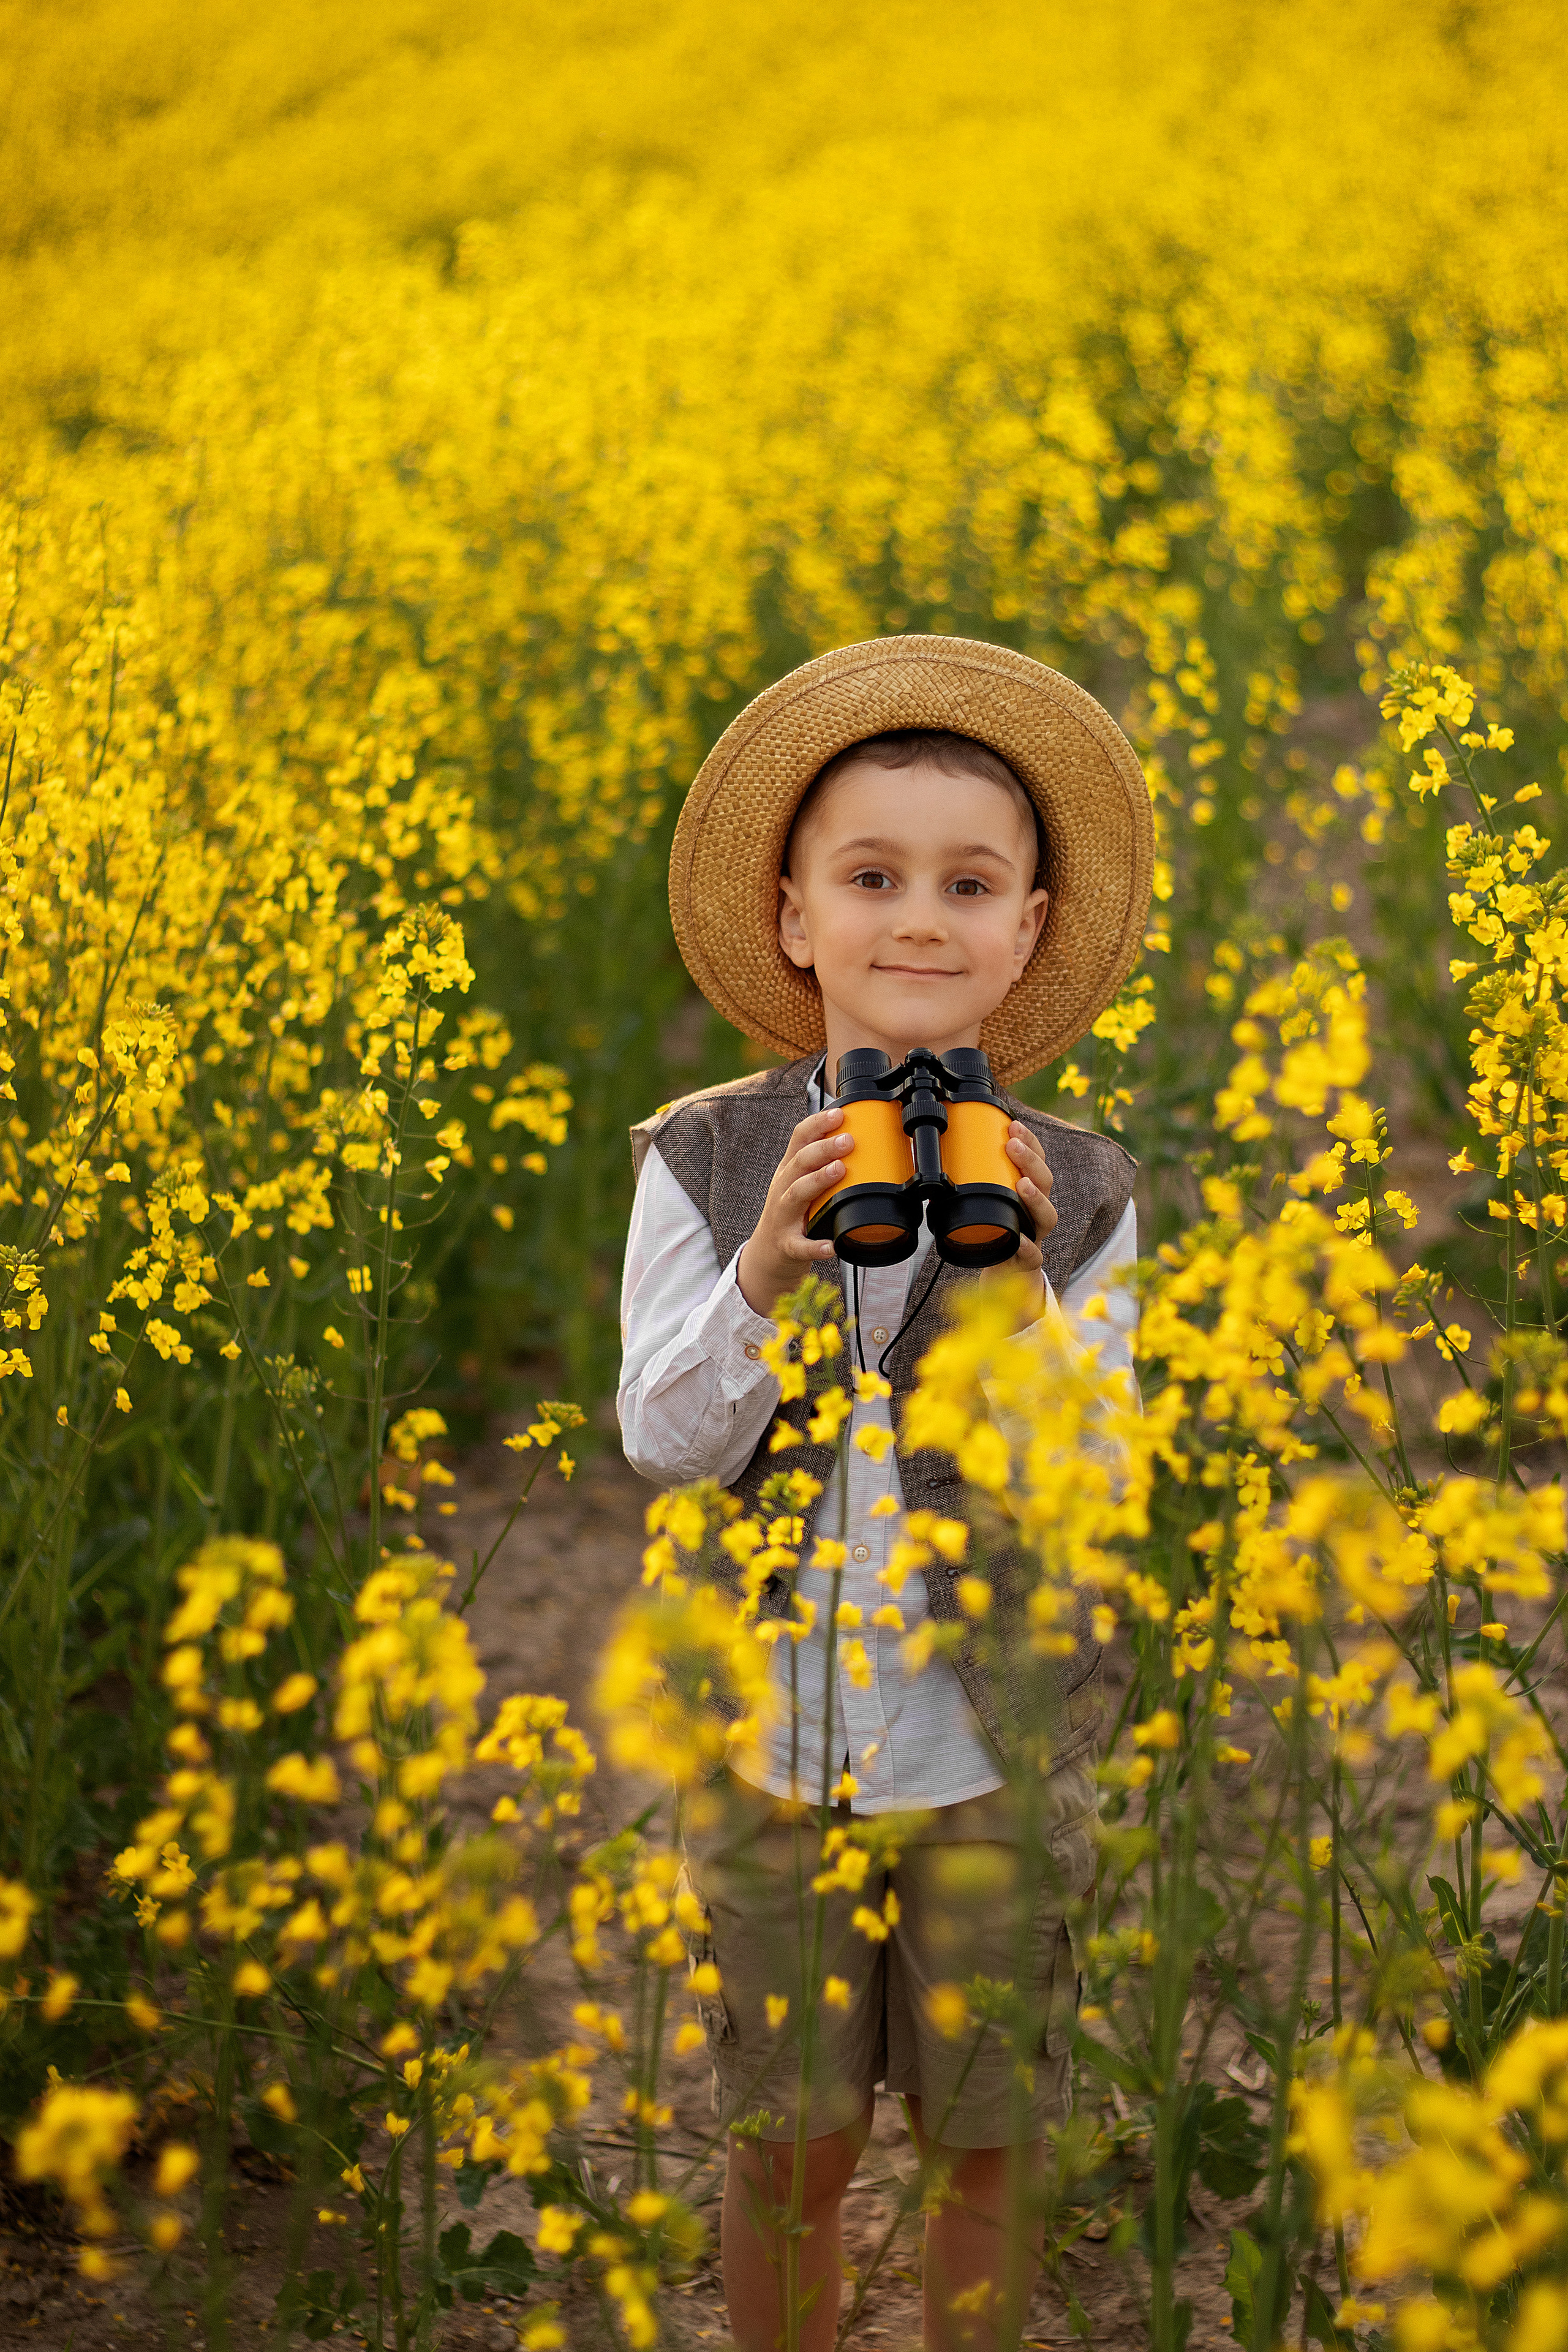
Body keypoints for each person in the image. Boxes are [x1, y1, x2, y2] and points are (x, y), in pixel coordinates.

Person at [617, 635, 1152, 2352]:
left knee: (987, 2134)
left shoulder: (1084, 1183)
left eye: (968, 884)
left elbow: (1099, 1479)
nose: (919, 919)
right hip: (774, 1733)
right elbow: (662, 1437)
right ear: (792, 917)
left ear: (1028, 930)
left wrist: (1029, 1290)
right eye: (871, 877)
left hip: (985, 1735)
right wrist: (767, 1266)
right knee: (790, 2134)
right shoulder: (704, 1154)